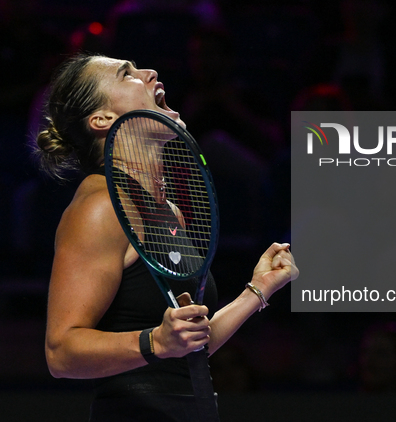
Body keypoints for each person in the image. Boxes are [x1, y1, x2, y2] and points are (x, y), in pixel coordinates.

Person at [34, 53, 298, 421]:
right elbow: (61, 352)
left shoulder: (168, 210)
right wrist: (155, 341)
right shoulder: (101, 206)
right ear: (102, 119)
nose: (150, 72)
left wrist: (256, 291)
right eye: (126, 74)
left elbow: (186, 347)